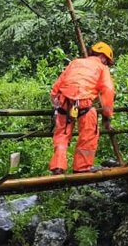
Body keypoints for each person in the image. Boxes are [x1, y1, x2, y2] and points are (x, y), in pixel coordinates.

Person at [49, 41, 115, 175]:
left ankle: (58, 166)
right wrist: (107, 117)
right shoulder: (102, 68)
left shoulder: (75, 63)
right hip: (84, 104)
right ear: (103, 57)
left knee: (61, 135)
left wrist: (57, 107)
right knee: (88, 135)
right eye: (107, 61)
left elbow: (56, 88)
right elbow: (108, 91)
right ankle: (81, 168)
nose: (106, 64)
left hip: (65, 103)